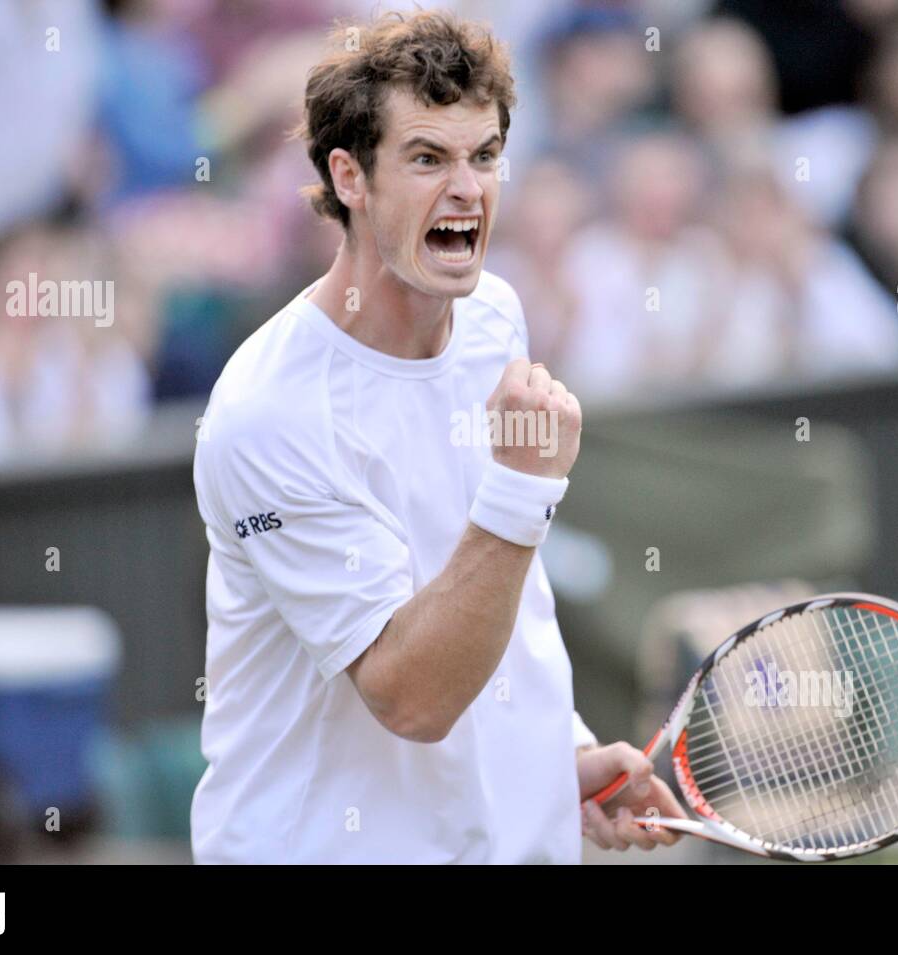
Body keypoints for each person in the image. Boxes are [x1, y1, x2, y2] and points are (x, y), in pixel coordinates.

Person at [190, 11, 686, 864]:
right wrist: (524, 487)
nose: (468, 188)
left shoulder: (494, 315)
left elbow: (502, 595)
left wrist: (551, 755)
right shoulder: (266, 415)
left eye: (484, 155)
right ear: (349, 176)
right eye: (427, 158)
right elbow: (410, 696)